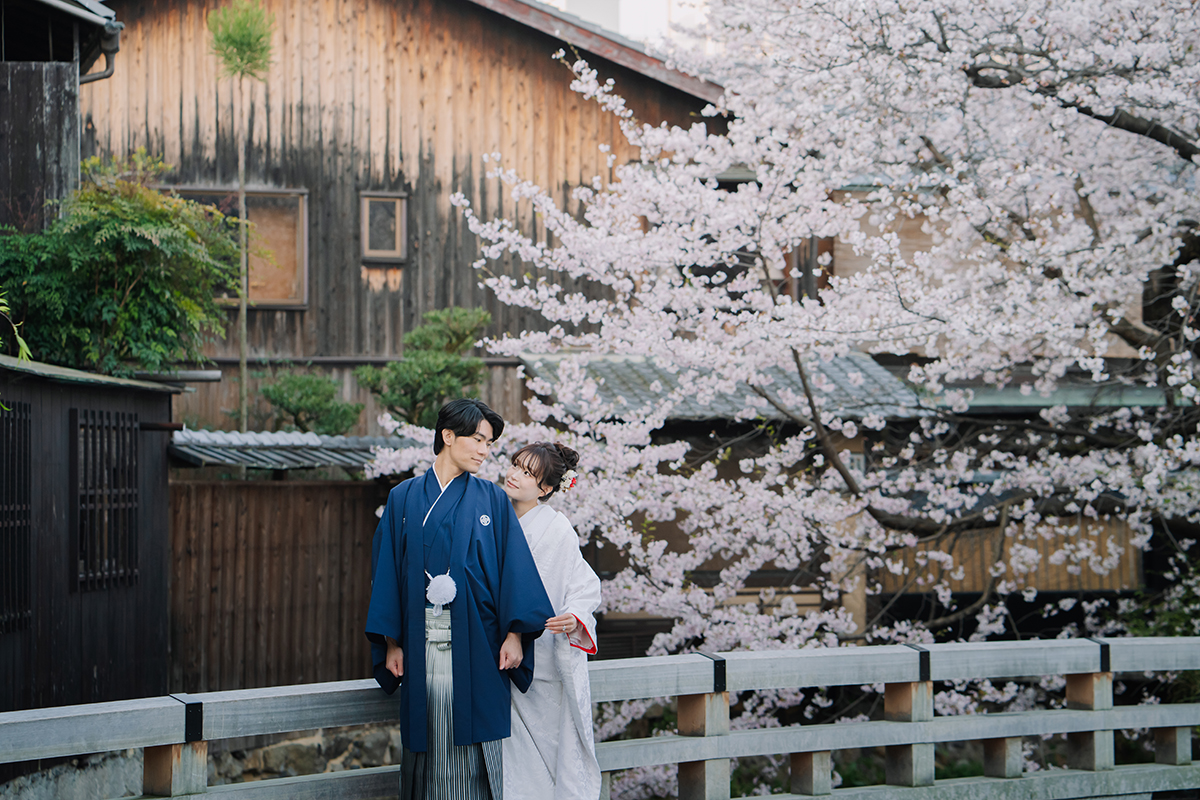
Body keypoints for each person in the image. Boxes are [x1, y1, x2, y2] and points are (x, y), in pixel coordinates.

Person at [365, 399, 554, 800]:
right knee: (428, 740)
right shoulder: (403, 497)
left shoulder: (492, 500)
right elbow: (386, 570)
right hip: (420, 642)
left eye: (490, 442)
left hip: (479, 642)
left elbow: (514, 570)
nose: (486, 451)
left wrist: (516, 634)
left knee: (474, 743)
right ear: (448, 436)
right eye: (478, 439)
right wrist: (391, 642)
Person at [501, 442, 602, 800]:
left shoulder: (558, 529)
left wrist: (574, 616)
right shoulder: (495, 516)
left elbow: (584, 583)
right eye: (515, 465)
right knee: (512, 761)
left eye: (527, 473)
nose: (514, 474)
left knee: (547, 759)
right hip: (499, 653)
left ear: (546, 489)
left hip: (542, 657)